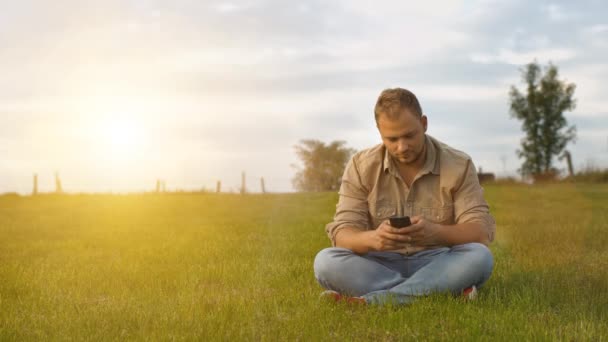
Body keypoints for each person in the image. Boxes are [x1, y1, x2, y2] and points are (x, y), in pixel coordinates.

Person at [313, 88, 495, 305]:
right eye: (392, 139)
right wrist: (374, 239)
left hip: (438, 261)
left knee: (479, 257)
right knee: (326, 262)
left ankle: (371, 301)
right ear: (380, 133)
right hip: (378, 263)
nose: (402, 147)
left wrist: (436, 233)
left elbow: (480, 232)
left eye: (410, 135)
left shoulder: (458, 164)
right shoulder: (360, 166)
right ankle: (442, 290)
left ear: (424, 124)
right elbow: (343, 234)